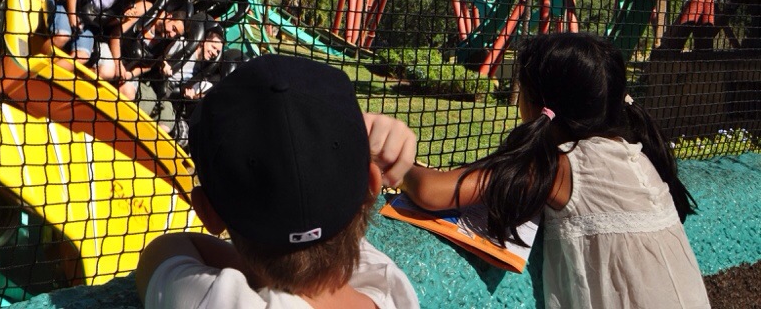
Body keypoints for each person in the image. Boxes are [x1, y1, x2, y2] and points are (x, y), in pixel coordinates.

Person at [398, 32, 710, 309]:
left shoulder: (564, 165)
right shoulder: (638, 153)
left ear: (537, 104)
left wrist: (399, 166)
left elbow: (431, 191)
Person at [136, 54, 420, 309]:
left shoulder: (216, 300)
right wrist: (350, 139)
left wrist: (255, 264)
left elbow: (162, 252)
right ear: (372, 186)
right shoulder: (393, 289)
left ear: (206, 211)